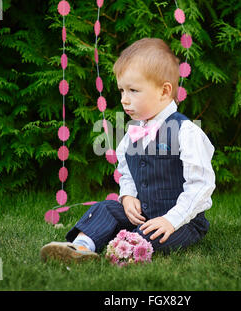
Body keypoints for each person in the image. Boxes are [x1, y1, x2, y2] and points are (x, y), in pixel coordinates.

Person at [40, 38, 216, 264]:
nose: (124, 100)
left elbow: (201, 185)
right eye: (122, 90)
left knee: (148, 236)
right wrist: (128, 195)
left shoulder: (186, 132)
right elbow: (127, 173)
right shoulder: (131, 134)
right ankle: (82, 246)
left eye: (133, 90)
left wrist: (171, 220)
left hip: (181, 221)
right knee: (105, 208)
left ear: (164, 91)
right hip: (143, 214)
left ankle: (126, 245)